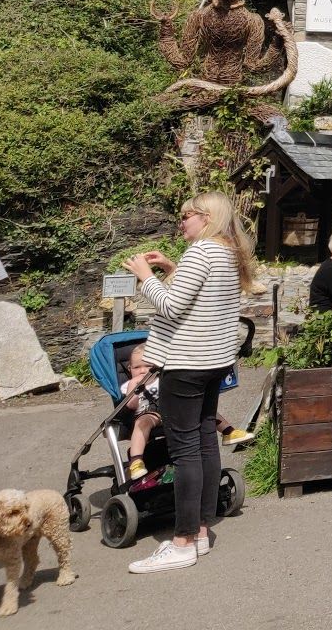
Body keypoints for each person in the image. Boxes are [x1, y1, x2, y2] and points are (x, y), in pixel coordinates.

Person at [123, 191, 255, 574]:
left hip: (185, 363)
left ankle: (182, 542)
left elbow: (171, 306)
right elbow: (200, 298)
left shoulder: (202, 251)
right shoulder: (225, 250)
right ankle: (199, 530)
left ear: (206, 217)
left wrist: (145, 277)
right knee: (204, 442)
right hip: (213, 362)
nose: (181, 222)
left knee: (184, 453)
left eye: (186, 216)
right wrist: (170, 268)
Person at [119, 345, 251, 481]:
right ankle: (136, 461)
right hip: (148, 414)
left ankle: (228, 431)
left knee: (204, 408)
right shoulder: (129, 384)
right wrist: (135, 387)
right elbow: (131, 405)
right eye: (136, 367)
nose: (142, 371)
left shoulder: (163, 378)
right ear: (129, 369)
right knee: (142, 423)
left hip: (173, 409)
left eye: (147, 366)